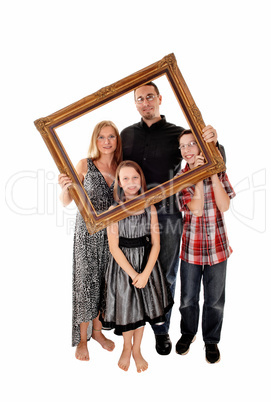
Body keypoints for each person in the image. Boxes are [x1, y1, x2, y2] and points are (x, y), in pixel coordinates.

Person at [120, 81, 225, 355]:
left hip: (169, 213)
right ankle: (130, 325)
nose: (146, 102)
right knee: (131, 268)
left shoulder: (177, 134)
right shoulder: (126, 134)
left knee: (165, 273)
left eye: (150, 97)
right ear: (136, 103)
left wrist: (214, 140)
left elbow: (213, 157)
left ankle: (161, 330)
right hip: (132, 213)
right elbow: (117, 169)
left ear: (160, 99)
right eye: (140, 99)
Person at [100, 161, 173, 372]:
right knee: (127, 308)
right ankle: (126, 347)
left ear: (141, 179)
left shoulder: (149, 206)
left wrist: (146, 273)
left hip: (146, 261)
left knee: (142, 308)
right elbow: (114, 248)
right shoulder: (113, 210)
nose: (131, 183)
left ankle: (137, 349)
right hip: (123, 267)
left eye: (134, 177)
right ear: (119, 183)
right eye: (125, 179)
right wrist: (134, 274)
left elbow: (157, 243)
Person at [58, 120, 122, 361]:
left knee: (105, 284)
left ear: (117, 140)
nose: (106, 142)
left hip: (113, 235)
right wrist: (65, 187)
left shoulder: (121, 167)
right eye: (101, 137)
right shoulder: (84, 164)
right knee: (86, 284)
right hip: (86, 234)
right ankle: (82, 339)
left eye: (111, 137)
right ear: (95, 140)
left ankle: (97, 332)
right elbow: (66, 200)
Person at [175, 129, 235, 363]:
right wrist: (198, 176)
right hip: (191, 249)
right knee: (188, 298)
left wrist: (210, 173)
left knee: (215, 300)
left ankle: (211, 340)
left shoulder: (218, 170)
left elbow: (224, 205)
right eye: (183, 146)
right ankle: (187, 333)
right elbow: (196, 209)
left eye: (192, 144)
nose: (188, 149)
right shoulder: (181, 177)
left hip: (218, 247)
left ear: (201, 146)